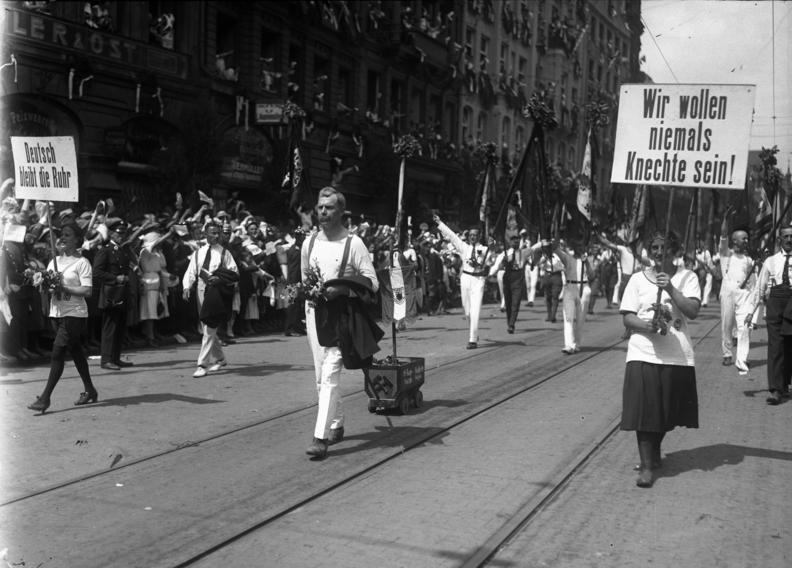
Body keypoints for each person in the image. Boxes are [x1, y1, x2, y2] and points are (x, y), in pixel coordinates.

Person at [619, 231, 701, 488]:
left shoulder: (688, 277)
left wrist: (671, 288)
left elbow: (693, 311)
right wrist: (646, 326)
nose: (656, 252)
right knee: (644, 410)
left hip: (676, 355)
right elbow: (627, 317)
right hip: (643, 352)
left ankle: (654, 452)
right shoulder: (636, 280)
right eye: (652, 247)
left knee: (666, 412)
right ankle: (646, 466)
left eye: (662, 247)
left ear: (674, 250)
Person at [303, 187, 379, 459]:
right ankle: (336, 423)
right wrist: (310, 295)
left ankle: (319, 438)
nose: (323, 212)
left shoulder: (354, 243)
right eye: (320, 207)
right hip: (315, 314)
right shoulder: (309, 242)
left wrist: (345, 290)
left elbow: (372, 281)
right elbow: (304, 278)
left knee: (330, 370)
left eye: (329, 207)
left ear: (340, 212)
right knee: (319, 375)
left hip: (342, 315)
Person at [27, 222, 99, 413]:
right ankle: (90, 390)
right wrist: (44, 285)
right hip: (56, 313)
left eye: (68, 235)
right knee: (75, 350)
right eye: (62, 235)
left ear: (77, 239)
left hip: (74, 314)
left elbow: (87, 290)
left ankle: (45, 398)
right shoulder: (54, 261)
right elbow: (50, 287)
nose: (62, 238)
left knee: (58, 351)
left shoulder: (82, 263)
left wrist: (64, 288)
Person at [182, 222, 238, 378]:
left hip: (216, 292)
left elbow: (234, 274)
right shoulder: (198, 253)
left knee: (209, 327)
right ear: (205, 234)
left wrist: (219, 280)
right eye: (212, 233)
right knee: (206, 327)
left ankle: (202, 364)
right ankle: (220, 359)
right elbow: (191, 271)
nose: (216, 236)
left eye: (218, 233)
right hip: (201, 290)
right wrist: (187, 287)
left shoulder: (225, 253)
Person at [433, 213, 488, 349]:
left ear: (479, 236)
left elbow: (481, 263)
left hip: (478, 280)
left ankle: (472, 339)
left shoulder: (485, 249)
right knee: (467, 311)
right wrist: (440, 224)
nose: (473, 237)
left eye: (475, 235)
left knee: (475, 310)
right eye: (471, 235)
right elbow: (452, 236)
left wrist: (481, 259)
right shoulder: (464, 247)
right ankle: (473, 332)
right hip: (465, 279)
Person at [751, 224, 792, 405]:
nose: (789, 240)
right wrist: (751, 313)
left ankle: (784, 385)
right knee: (776, 346)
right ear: (779, 240)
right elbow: (760, 287)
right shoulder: (771, 261)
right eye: (786, 237)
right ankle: (775, 389)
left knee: (789, 346)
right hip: (775, 303)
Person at [93, 218, 134, 371]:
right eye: (119, 233)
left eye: (124, 233)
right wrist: (115, 278)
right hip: (111, 293)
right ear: (111, 233)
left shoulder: (122, 250)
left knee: (120, 327)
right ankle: (106, 360)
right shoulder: (105, 251)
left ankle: (115, 358)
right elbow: (96, 272)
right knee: (110, 328)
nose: (122, 236)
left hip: (121, 293)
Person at [717, 208, 755, 371]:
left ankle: (742, 358)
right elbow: (724, 236)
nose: (746, 241)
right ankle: (727, 353)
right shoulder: (726, 254)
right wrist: (725, 219)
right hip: (727, 293)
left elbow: (752, 280)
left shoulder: (748, 259)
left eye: (747, 238)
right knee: (726, 324)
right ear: (735, 241)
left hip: (743, 295)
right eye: (743, 239)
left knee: (743, 326)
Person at [555, 239, 591, 354]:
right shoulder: (567, 258)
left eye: (582, 247)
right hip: (570, 288)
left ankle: (576, 343)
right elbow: (556, 249)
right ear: (574, 248)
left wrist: (586, 262)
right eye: (578, 246)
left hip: (584, 288)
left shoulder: (586, 260)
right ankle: (569, 345)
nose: (580, 249)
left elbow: (593, 274)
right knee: (568, 317)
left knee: (580, 319)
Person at [496, 234, 528, 333]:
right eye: (514, 241)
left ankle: (511, 324)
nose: (516, 243)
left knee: (516, 302)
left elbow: (535, 252)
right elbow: (499, 266)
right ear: (510, 243)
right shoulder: (505, 253)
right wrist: (504, 261)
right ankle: (509, 321)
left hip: (518, 277)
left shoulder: (524, 252)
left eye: (518, 241)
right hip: (508, 277)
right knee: (508, 302)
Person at [531, 238, 564, 323]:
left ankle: (553, 315)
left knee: (555, 296)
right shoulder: (544, 255)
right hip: (547, 276)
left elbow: (564, 265)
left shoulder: (560, 254)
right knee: (548, 297)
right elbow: (537, 264)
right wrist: (544, 259)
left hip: (556, 275)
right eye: (549, 245)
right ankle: (549, 315)